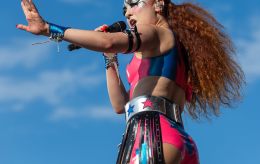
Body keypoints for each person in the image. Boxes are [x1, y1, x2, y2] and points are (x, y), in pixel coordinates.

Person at [17, 0, 244, 163]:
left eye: (134, 3)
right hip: (177, 139)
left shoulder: (157, 33)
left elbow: (107, 42)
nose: (127, 13)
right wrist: (109, 58)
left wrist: (49, 29)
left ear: (158, 4)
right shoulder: (169, 53)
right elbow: (120, 105)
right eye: (124, 8)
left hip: (152, 134)